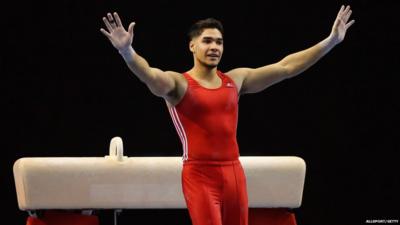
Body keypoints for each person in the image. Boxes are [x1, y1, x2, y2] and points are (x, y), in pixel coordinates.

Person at [100, 5, 354, 225]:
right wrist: (127, 52)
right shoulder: (178, 84)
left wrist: (330, 42)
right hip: (199, 176)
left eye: (219, 42)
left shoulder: (236, 79)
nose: (214, 47)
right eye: (207, 41)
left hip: (234, 173)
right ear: (192, 45)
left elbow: (286, 67)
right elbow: (150, 75)